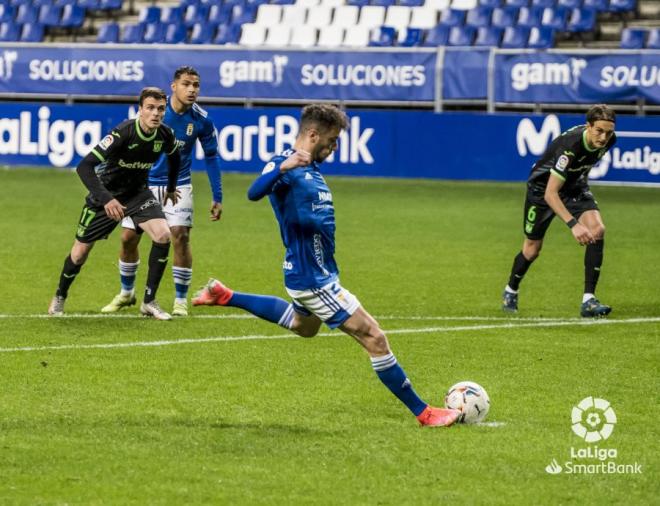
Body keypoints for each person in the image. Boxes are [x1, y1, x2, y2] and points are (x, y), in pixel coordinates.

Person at [192, 104, 460, 427]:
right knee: (374, 337)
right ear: (313, 134)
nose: (333, 148)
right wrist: (284, 167)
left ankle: (226, 295)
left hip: (312, 271)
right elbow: (253, 192)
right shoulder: (283, 164)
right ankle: (425, 413)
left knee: (303, 327)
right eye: (331, 141)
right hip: (312, 278)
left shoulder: (312, 170)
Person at [48, 87, 180, 320]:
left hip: (138, 194)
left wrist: (170, 187)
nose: (156, 113)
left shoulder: (165, 134)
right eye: (150, 108)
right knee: (79, 254)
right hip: (105, 196)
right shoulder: (123, 133)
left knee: (162, 235)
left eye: (161, 109)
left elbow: (175, 157)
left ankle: (149, 302)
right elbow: (84, 167)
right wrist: (107, 199)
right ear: (140, 110)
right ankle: (60, 295)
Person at [101, 66, 223, 317]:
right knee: (128, 239)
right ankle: (127, 293)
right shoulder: (155, 114)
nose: (192, 90)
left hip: (178, 185)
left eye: (196, 85)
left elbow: (211, 156)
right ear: (173, 86)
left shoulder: (201, 120)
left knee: (179, 235)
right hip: (142, 184)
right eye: (187, 84)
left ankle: (180, 300)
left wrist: (217, 195)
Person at [502, 104, 617, 317]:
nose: (604, 137)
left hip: (573, 186)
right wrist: (574, 225)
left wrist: (583, 197)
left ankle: (588, 300)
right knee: (532, 250)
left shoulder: (609, 141)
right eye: (599, 131)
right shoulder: (570, 147)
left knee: (597, 229)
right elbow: (550, 194)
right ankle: (511, 289)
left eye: (608, 132)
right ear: (588, 126)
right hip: (542, 190)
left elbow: (586, 165)